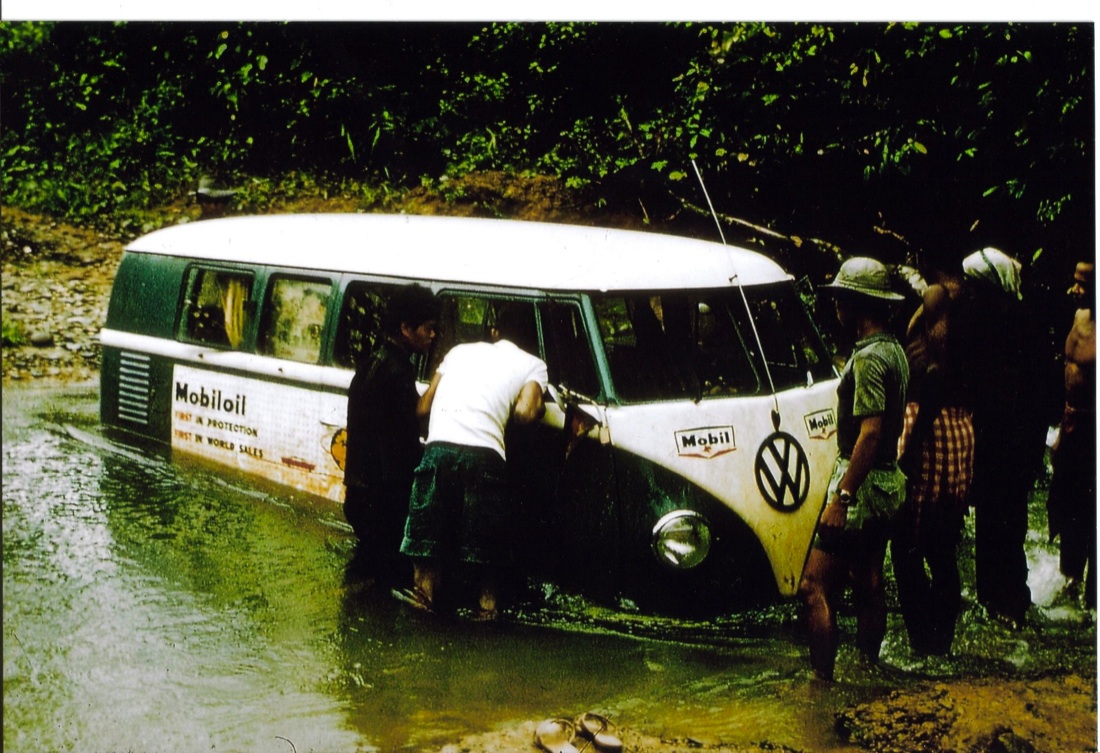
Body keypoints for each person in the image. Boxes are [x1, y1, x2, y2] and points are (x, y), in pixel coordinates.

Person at [395, 303, 548, 620]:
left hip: (438, 450)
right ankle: (483, 637)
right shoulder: (534, 364)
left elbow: (422, 409)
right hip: (485, 456)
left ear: (495, 332)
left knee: (426, 558)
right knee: (486, 565)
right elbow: (524, 413)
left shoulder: (457, 351)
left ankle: (419, 631)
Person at [799, 257, 909, 681]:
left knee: (814, 587)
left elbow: (871, 433)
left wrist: (842, 498)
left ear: (857, 305)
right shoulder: (894, 350)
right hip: (886, 482)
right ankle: (868, 672)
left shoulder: (867, 359)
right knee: (867, 582)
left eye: (840, 300)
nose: (836, 309)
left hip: (861, 487)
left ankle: (822, 684)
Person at [957, 247, 1047, 626]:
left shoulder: (1026, 328)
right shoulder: (981, 324)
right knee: (990, 527)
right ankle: (991, 604)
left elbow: (1040, 399)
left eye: (977, 288)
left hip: (1015, 447)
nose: (970, 295)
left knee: (1008, 528)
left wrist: (1029, 457)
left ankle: (1012, 606)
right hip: (991, 445)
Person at [891, 264, 975, 656]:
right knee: (937, 546)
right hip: (949, 424)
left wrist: (912, 444)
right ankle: (934, 645)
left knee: (909, 544)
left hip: (932, 425)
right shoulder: (950, 299)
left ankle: (927, 646)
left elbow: (938, 373)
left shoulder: (940, 298)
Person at [342, 284, 440, 586]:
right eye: (428, 328)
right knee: (386, 580)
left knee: (366, 572)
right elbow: (405, 434)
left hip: (359, 493)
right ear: (405, 328)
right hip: (381, 500)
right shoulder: (398, 372)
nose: (432, 335)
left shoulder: (371, 363)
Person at [1047, 261, 1096, 609]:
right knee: (1064, 504)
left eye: (1083, 284)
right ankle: (1068, 582)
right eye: (1075, 282)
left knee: (1092, 511)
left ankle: (1093, 598)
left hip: (1093, 430)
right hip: (1070, 422)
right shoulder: (1078, 317)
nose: (1075, 290)